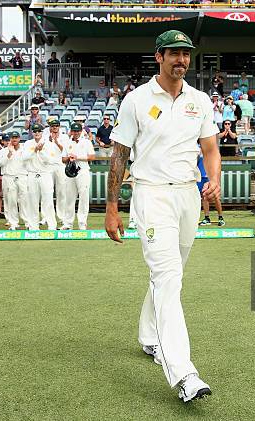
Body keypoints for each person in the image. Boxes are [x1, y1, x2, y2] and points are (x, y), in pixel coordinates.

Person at [105, 29, 220, 403]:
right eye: (174, 53)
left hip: (187, 194)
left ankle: (149, 337)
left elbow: (210, 148)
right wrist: (111, 208)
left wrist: (214, 179)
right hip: (151, 194)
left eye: (186, 55)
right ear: (158, 56)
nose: (181, 60)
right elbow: (119, 156)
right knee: (168, 278)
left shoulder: (200, 100)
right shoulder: (136, 100)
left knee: (170, 275)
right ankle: (184, 373)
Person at [60, 122, 95, 230]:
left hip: (83, 171)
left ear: (81, 131)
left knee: (84, 198)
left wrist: (77, 157)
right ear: (71, 131)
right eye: (74, 131)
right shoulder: (66, 142)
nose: (75, 133)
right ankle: (68, 224)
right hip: (70, 172)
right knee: (69, 198)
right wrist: (69, 158)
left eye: (77, 131)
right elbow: (63, 159)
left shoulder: (86, 142)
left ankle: (82, 223)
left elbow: (92, 157)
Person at [22, 124, 57, 231]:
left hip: (45, 174)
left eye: (39, 131)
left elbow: (50, 160)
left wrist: (41, 151)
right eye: (35, 131)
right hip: (32, 174)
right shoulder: (28, 143)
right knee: (32, 201)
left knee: (48, 201)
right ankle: (33, 226)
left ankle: (52, 226)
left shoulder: (49, 144)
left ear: (42, 132)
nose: (37, 133)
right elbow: (24, 157)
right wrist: (35, 150)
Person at [0, 132, 29, 230]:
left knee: (24, 200)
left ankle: (27, 222)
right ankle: (13, 223)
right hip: (8, 177)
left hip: (22, 176)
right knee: (11, 200)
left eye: (16, 138)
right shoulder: (2, 152)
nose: (14, 140)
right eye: (12, 138)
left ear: (19, 138)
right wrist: (8, 155)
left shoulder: (24, 150)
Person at [43, 118, 68, 227]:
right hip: (48, 166)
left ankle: (61, 216)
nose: (54, 128)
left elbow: (65, 150)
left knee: (61, 192)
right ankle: (45, 217)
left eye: (56, 126)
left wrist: (56, 141)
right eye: (53, 126)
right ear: (50, 127)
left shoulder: (64, 137)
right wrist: (49, 140)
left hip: (60, 165)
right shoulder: (44, 137)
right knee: (47, 192)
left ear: (59, 127)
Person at [197, 145, 224, 227]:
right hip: (200, 177)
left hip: (210, 177)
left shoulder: (211, 148)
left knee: (216, 197)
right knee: (204, 196)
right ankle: (206, 218)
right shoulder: (196, 148)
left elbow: (217, 163)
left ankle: (221, 218)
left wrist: (216, 178)